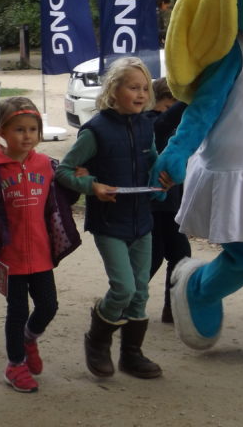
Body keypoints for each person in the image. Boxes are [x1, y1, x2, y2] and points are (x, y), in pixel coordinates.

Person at [56, 56, 167, 380]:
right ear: (113, 89)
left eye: (145, 88)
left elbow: (155, 162)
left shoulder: (147, 123)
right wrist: (93, 186)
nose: (142, 94)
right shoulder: (96, 130)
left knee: (141, 292)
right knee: (123, 289)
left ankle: (132, 355)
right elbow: (64, 170)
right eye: (133, 87)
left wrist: (163, 179)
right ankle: (97, 340)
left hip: (142, 222)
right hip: (109, 224)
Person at [0, 96, 81, 394]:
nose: (27, 136)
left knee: (49, 305)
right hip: (9, 256)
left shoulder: (47, 165)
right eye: (19, 130)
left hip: (40, 253)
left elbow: (64, 201)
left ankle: (29, 339)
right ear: (2, 131)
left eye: (32, 129)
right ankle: (15, 365)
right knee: (17, 311)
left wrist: (80, 181)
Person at [145, 78, 190, 323]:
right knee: (153, 257)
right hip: (153, 205)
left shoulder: (176, 128)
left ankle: (172, 309)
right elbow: (163, 124)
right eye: (168, 104)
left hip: (171, 205)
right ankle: (123, 300)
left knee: (180, 255)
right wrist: (189, 97)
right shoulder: (150, 122)